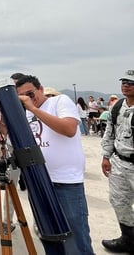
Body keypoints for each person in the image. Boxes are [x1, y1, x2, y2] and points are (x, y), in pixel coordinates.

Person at [16, 75, 94, 255]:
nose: (28, 98)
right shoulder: (27, 113)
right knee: (49, 237)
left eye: (30, 93)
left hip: (66, 182)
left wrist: (33, 109)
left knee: (75, 240)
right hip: (40, 182)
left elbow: (69, 129)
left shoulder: (60, 101)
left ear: (41, 89)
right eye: (22, 96)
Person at [101, 70, 134, 253]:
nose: (126, 85)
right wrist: (106, 156)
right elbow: (109, 132)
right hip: (119, 163)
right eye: (124, 81)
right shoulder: (117, 106)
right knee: (119, 202)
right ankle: (128, 240)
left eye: (131, 82)